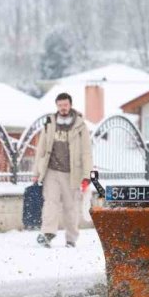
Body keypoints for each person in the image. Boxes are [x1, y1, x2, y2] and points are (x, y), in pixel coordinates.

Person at [33, 92, 93, 248]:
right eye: (60, 105)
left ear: (70, 105)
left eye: (65, 105)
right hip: (51, 171)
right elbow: (41, 149)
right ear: (57, 106)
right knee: (50, 203)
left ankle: (71, 238)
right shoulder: (50, 123)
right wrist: (36, 173)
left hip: (72, 173)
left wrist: (87, 176)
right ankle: (47, 233)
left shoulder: (80, 126)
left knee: (70, 207)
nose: (63, 108)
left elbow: (86, 152)